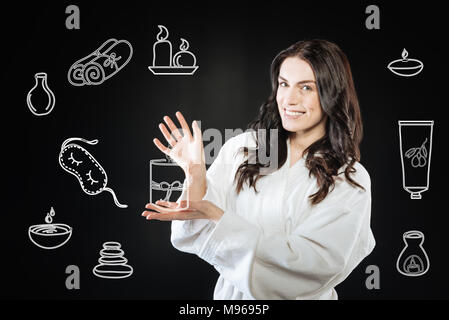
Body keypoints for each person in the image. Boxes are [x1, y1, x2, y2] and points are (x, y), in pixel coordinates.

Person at [142, 39, 375, 300]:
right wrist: (196, 173)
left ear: (333, 93)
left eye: (307, 87)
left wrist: (219, 216)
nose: (289, 99)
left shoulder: (349, 179)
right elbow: (195, 231)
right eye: (284, 84)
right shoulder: (243, 149)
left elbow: (315, 267)